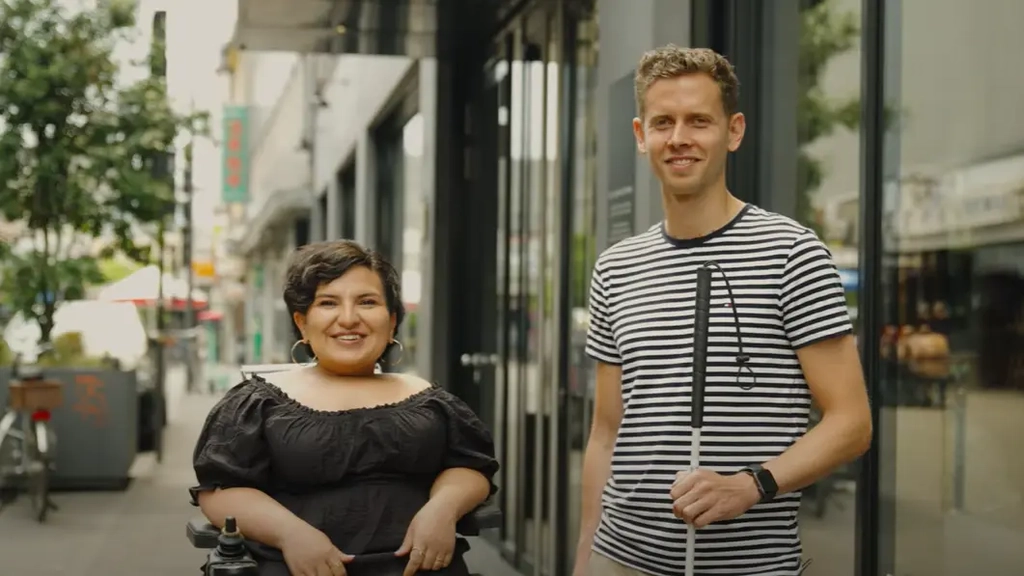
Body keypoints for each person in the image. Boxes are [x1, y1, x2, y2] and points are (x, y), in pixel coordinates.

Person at [573, 45, 872, 576]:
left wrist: (751, 484)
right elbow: (606, 432)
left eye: (699, 121)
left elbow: (850, 423)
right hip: (617, 560)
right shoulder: (615, 267)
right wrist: (584, 553)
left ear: (733, 131)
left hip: (750, 565)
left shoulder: (792, 253)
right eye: (663, 122)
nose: (679, 137)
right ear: (641, 136)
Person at [190, 240, 499, 576]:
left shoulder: (429, 398)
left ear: (392, 321)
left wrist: (443, 509)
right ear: (302, 322)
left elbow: (471, 467)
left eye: (367, 302)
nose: (349, 318)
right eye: (328, 303)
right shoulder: (256, 402)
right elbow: (219, 492)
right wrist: (290, 535)